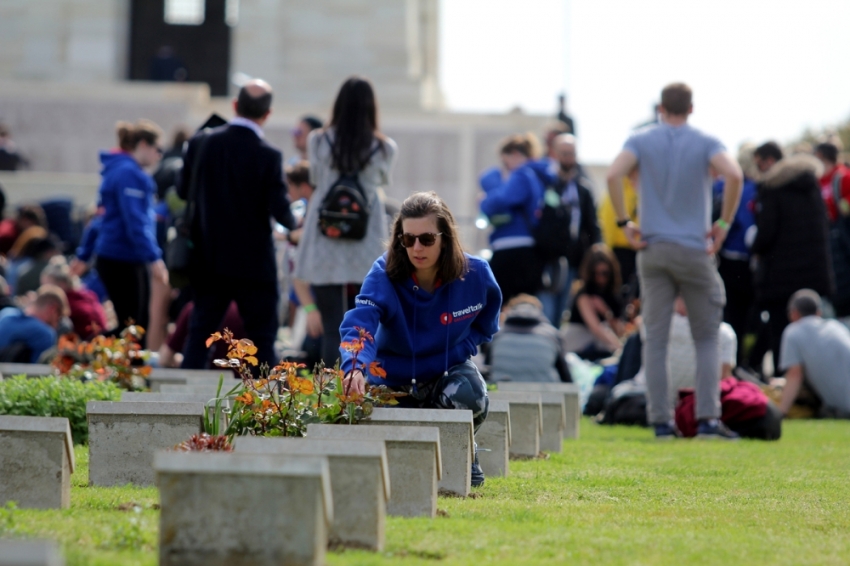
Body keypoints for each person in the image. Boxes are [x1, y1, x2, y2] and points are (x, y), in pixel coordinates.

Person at [607, 82, 744, 439]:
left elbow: (613, 174)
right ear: (692, 108)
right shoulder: (705, 140)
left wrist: (626, 223)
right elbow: (734, 174)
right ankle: (707, 419)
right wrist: (724, 224)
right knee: (707, 337)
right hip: (694, 248)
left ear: (660, 108)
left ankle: (661, 421)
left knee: (656, 339)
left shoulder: (641, 140)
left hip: (653, 248)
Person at [340, 192, 501, 487]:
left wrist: (461, 349)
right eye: (408, 239)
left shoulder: (476, 273)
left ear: (445, 238)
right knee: (373, 428)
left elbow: (486, 325)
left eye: (427, 239)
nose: (416, 248)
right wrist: (353, 367)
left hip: (446, 370)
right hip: (391, 377)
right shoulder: (383, 272)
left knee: (471, 395)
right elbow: (360, 325)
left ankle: (464, 450)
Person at [179, 79, 295, 369]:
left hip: (208, 258)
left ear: (234, 106)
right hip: (255, 265)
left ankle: (183, 409)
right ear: (267, 114)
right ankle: (268, 410)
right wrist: (297, 225)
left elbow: (182, 191)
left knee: (199, 337)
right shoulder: (269, 156)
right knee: (263, 342)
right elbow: (281, 210)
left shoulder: (201, 142)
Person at [293, 76, 397, 367]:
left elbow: (315, 179)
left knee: (332, 326)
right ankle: (359, 385)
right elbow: (383, 181)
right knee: (364, 326)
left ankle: (329, 395)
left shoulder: (318, 141)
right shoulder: (384, 147)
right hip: (366, 239)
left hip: (326, 237)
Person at [750, 144, 833, 374]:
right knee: (814, 333)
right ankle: (813, 387)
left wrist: (755, 249)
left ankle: (785, 385)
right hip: (815, 274)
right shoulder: (811, 186)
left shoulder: (773, 189)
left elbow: (766, 233)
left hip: (781, 277)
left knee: (782, 334)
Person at [87, 120, 166, 338]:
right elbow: (136, 222)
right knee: (134, 328)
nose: (159, 156)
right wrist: (154, 258)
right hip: (124, 257)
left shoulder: (116, 171)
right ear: (143, 144)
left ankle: (102, 359)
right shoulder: (130, 174)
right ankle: (95, 358)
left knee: (131, 324)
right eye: (158, 149)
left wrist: (85, 253)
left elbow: (99, 217)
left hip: (116, 256)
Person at [537, 134, 601, 326]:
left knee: (562, 311)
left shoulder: (583, 189)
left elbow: (592, 225)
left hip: (573, 260)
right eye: (564, 153)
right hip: (548, 259)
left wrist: (594, 255)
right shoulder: (546, 185)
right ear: (555, 154)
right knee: (546, 309)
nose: (568, 158)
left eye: (572, 154)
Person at [479, 133, 546, 303]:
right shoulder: (534, 174)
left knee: (504, 304)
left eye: (506, 159)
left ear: (515, 155)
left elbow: (500, 200)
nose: (505, 165)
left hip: (514, 248)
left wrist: (484, 201)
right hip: (522, 248)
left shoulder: (522, 174)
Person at [715, 144, 760, 367]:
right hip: (739, 260)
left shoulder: (723, 185)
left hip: (731, 259)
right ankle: (737, 363)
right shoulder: (755, 188)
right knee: (740, 318)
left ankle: (734, 363)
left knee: (734, 317)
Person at [778, 289, 850, 417]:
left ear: (794, 314)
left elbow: (795, 375)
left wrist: (780, 413)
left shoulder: (793, 332)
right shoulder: (835, 326)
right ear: (819, 312)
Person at [562, 244, 626, 360]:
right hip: (579, 348)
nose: (600, 278)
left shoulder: (613, 295)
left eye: (604, 273)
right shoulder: (584, 294)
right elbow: (596, 328)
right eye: (595, 274)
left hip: (603, 348)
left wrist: (605, 312)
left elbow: (620, 332)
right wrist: (621, 351)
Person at [488, 294, 570, 383]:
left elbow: (487, 367)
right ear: (539, 310)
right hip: (544, 391)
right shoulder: (552, 334)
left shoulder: (495, 334)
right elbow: (565, 374)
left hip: (499, 390)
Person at [40, 256, 107, 340]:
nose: (44, 290)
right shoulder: (87, 295)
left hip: (88, 344)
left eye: (47, 286)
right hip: (103, 340)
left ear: (62, 284)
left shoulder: (66, 305)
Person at [598, 169, 640, 300]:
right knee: (618, 291)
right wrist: (608, 250)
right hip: (620, 249)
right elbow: (607, 220)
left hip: (639, 248)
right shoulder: (619, 189)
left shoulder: (639, 188)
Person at [0, 285, 68, 363]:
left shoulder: (5, 313)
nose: (57, 324)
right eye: (59, 317)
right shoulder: (45, 334)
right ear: (52, 309)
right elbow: (39, 372)